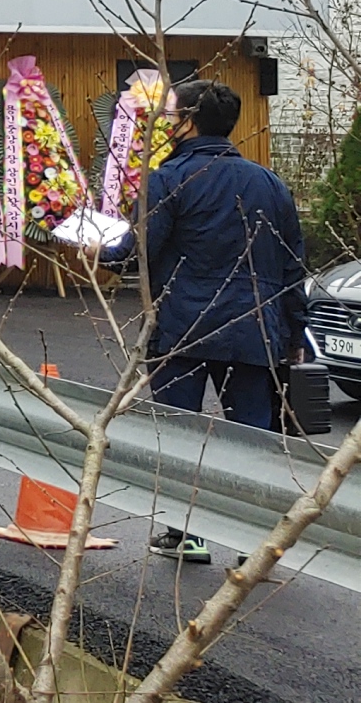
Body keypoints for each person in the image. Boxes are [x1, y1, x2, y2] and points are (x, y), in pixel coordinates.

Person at [99, 79, 306, 563]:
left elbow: (138, 254)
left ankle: (186, 534)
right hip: (255, 331)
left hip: (182, 329)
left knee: (179, 435)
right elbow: (293, 264)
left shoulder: (168, 179)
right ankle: (253, 543)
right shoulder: (270, 183)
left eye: (171, 116)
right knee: (252, 439)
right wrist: (295, 331)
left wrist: (100, 250)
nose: (166, 123)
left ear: (188, 121)